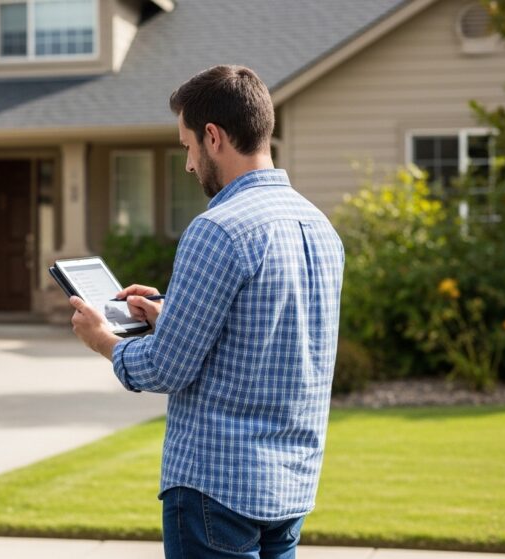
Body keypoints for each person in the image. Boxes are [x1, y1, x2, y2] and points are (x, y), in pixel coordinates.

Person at [68, 65, 345, 559]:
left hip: (215, 489)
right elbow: (267, 327)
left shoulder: (217, 228)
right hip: (291, 487)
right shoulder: (319, 226)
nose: (189, 165)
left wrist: (104, 340)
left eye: (187, 147)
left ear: (212, 137)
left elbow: (165, 368)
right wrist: (170, 312)